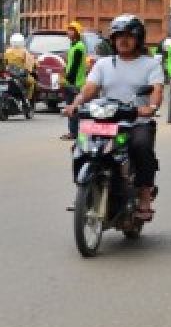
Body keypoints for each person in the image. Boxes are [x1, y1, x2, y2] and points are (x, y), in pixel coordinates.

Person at [65, 15, 165, 221]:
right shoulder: (103, 64)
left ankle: (144, 196)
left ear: (139, 39)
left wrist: (151, 107)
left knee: (141, 146)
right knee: (82, 145)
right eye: (119, 36)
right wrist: (76, 104)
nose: (123, 40)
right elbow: (90, 89)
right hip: (105, 120)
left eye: (129, 36)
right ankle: (85, 189)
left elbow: (156, 90)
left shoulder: (151, 64)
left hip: (135, 120)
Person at [62, 21, 88, 140]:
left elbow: (75, 66)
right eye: (68, 30)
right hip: (71, 82)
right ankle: (73, 132)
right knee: (71, 107)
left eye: (72, 30)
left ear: (77, 32)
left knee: (74, 108)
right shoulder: (73, 45)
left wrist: (67, 79)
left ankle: (74, 133)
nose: (69, 32)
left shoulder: (79, 47)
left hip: (76, 83)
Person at [3, 32, 37, 106]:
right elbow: (30, 64)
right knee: (32, 82)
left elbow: (5, 63)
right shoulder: (24, 52)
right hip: (20, 75)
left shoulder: (7, 51)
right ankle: (27, 100)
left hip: (9, 74)